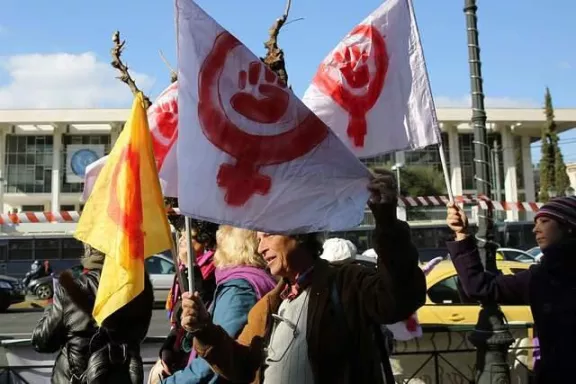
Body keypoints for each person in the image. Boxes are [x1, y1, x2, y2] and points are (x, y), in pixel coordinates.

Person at [179, 169, 426, 383]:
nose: (261, 247)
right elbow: (241, 365)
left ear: (298, 231)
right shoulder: (269, 305)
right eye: (258, 239)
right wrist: (204, 329)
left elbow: (399, 298)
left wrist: (387, 221)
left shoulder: (347, 283)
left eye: (267, 235)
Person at [445, 197, 576, 383]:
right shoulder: (539, 277)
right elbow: (481, 287)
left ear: (569, 226)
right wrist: (462, 234)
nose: (535, 229)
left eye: (545, 221)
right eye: (535, 222)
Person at [151, 225, 277, 383]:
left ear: (231, 247)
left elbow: (214, 362)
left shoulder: (239, 289)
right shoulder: (251, 279)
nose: (216, 249)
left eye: (220, 243)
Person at [31, 243, 153, 384]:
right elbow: (139, 335)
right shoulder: (138, 288)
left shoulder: (70, 288)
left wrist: (50, 308)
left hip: (75, 378)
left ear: (88, 250)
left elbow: (42, 341)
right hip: (122, 377)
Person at [161, 220, 219, 375]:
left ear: (205, 242)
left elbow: (199, 302)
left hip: (198, 352)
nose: (182, 240)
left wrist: (191, 265)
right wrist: (166, 351)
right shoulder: (181, 267)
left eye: (189, 237)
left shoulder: (215, 266)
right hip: (180, 347)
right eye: (181, 235)